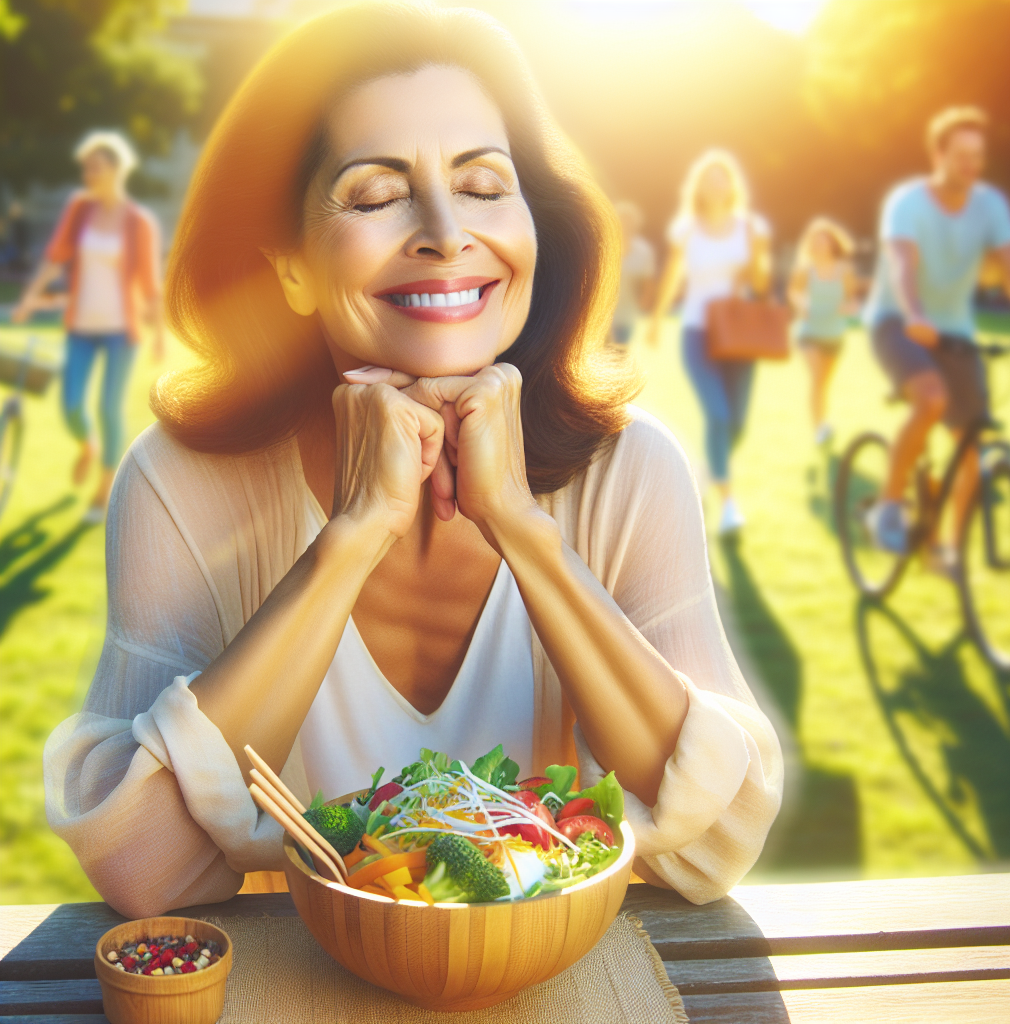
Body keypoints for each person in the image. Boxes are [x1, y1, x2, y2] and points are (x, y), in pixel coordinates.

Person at [42, 3, 782, 918]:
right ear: (291, 269)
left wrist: (523, 527)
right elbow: (141, 865)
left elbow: (716, 848)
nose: (444, 230)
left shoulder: (633, 471)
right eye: (376, 193)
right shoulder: (178, 484)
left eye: (482, 183)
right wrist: (351, 537)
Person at [862, 106, 1010, 557]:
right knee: (932, 398)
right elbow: (901, 261)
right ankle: (888, 507)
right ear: (938, 155)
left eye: (978, 155)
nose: (971, 165)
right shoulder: (907, 202)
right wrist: (915, 312)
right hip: (898, 322)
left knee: (971, 440)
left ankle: (948, 550)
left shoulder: (990, 204)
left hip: (956, 331)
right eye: (961, 155)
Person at [13, 132, 163, 521]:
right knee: (71, 405)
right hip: (80, 325)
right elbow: (54, 257)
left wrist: (159, 334)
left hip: (119, 331)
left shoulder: (137, 222)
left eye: (94, 166)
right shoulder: (79, 210)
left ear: (114, 169)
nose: (88, 173)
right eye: (86, 167)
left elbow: (149, 284)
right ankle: (88, 445)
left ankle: (103, 490)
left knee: (109, 407)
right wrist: (31, 297)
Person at [648, 150, 771, 534]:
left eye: (723, 177)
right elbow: (672, 275)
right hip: (698, 332)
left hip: (739, 336)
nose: (716, 184)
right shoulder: (686, 229)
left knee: (736, 424)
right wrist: (656, 319)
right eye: (709, 177)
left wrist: (757, 257)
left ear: (731, 186)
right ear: (699, 187)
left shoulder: (751, 227)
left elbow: (762, 285)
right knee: (717, 414)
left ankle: (706, 469)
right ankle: (729, 503)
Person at [787, 217, 859, 445]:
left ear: (832, 244)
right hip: (809, 332)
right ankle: (819, 429)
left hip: (834, 334)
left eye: (824, 241)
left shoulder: (844, 270)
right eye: (815, 241)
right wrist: (801, 304)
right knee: (817, 379)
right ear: (809, 245)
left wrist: (849, 307)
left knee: (824, 383)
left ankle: (824, 421)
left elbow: (851, 299)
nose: (819, 245)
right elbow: (794, 293)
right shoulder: (805, 270)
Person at [609, 200, 656, 346]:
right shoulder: (604, 246)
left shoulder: (644, 251)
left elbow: (648, 282)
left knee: (620, 353)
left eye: (629, 222)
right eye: (622, 220)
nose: (625, 225)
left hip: (628, 314)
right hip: (603, 314)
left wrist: (644, 303)